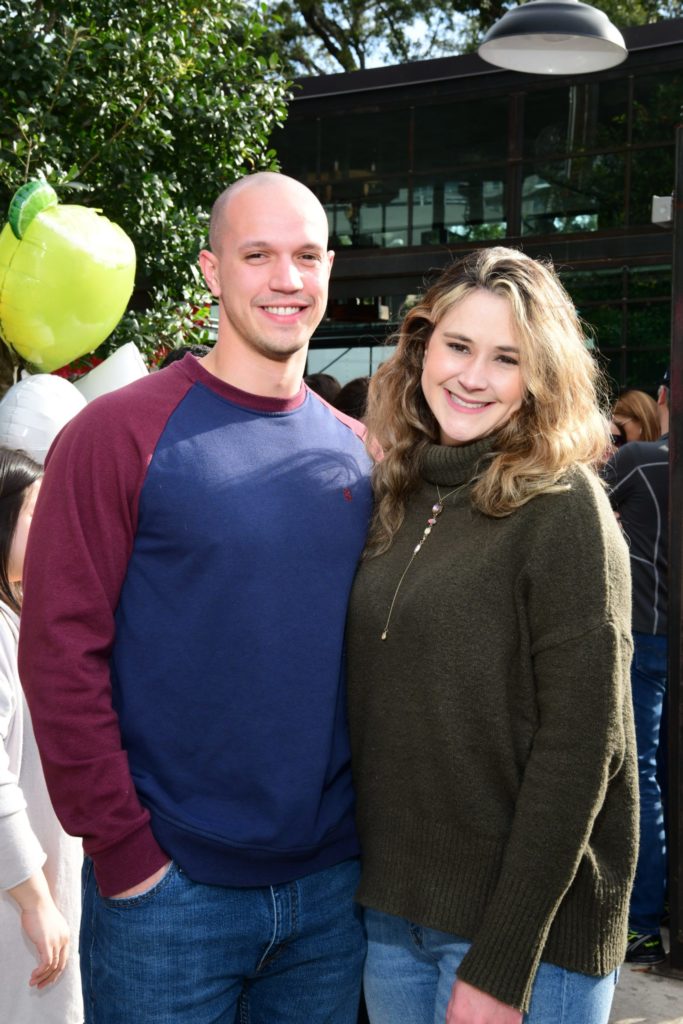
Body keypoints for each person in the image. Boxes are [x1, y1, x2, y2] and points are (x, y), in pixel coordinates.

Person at [19, 172, 372, 1024]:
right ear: (213, 272)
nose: (286, 279)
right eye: (258, 256)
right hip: (169, 897)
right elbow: (60, 652)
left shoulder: (357, 454)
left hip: (330, 898)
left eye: (305, 256)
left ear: (329, 268)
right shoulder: (115, 434)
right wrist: (125, 850)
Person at [346, 247, 638, 1024]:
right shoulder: (401, 491)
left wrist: (502, 963)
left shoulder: (562, 506)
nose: (472, 376)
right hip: (393, 918)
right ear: (419, 348)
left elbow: (584, 752)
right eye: (457, 346)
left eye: (505, 358)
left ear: (541, 376)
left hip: (526, 943)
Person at [0, 446, 82, 1024]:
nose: (55, 520)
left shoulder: (23, 617)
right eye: (38, 508)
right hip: (19, 905)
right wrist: (35, 902)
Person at [603, 369, 670, 965]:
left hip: (649, 633)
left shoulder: (641, 461)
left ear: (665, 399)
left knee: (641, 776)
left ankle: (643, 925)